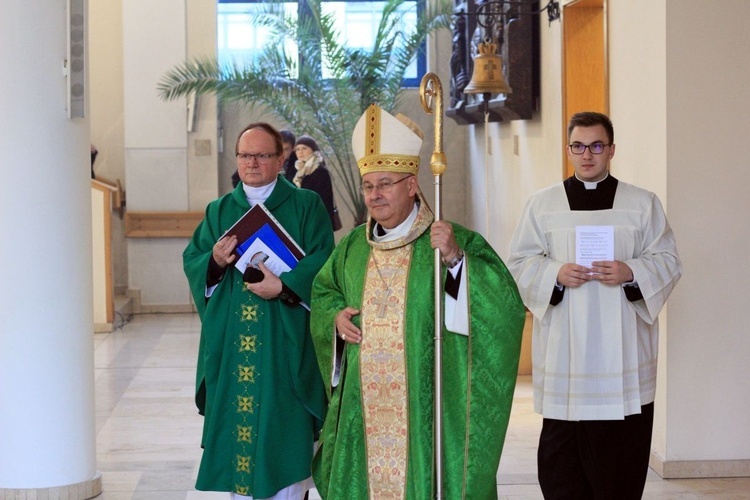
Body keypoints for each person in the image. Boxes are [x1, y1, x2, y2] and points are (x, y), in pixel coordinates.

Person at [309, 104, 526, 499]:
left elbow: (503, 307)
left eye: (385, 184)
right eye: (368, 186)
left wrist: (457, 262)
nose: (375, 195)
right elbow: (325, 294)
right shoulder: (354, 246)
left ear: (411, 185)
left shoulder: (448, 239)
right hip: (365, 406)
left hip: (425, 408)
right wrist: (336, 320)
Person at [507, 111, 683, 499]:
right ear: (569, 150)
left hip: (621, 352)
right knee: (561, 463)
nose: (587, 155)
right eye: (579, 146)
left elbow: (669, 261)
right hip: (565, 352)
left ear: (612, 150)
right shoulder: (542, 205)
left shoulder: (642, 204)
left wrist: (630, 271)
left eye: (597, 146)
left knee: (618, 462)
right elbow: (518, 263)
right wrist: (554, 273)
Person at [184, 122, 335, 499]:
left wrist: (284, 287)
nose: (252, 162)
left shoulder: (305, 206)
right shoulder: (220, 210)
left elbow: (324, 262)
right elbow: (194, 260)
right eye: (245, 155)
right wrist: (214, 262)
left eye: (262, 155)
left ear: (280, 158)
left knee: (283, 442)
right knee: (239, 447)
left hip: (284, 344)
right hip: (233, 349)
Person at [292, 135, 340, 231]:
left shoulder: (320, 171)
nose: (300, 152)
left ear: (313, 150)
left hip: (317, 220)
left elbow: (325, 199)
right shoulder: (300, 172)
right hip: (304, 220)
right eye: (297, 149)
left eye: (304, 148)